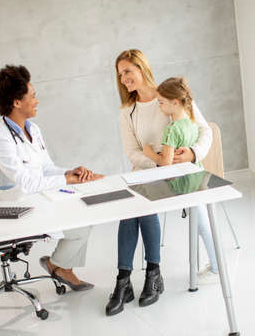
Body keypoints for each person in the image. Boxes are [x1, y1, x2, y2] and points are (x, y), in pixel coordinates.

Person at [105, 49, 214, 317]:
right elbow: (131, 151)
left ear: (142, 68)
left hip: (181, 173)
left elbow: (204, 130)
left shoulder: (170, 95)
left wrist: (192, 153)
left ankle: (150, 275)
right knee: (131, 209)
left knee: (147, 207)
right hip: (148, 172)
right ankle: (126, 280)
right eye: (120, 74)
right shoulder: (127, 111)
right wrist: (158, 165)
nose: (124, 79)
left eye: (128, 71)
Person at [0, 64, 103, 291]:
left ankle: (60, 267)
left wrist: (71, 172)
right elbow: (27, 183)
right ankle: (59, 267)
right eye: (33, 96)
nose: (37, 100)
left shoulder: (34, 130)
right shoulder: (1, 139)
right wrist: (67, 180)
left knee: (85, 216)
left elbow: (46, 168)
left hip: (39, 198)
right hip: (14, 209)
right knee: (80, 224)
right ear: (16, 102)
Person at [143, 76, 219, 280]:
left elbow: (166, 163)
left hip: (184, 185)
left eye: (161, 103)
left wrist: (148, 152)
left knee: (202, 225)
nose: (159, 107)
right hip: (198, 177)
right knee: (202, 222)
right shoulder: (192, 123)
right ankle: (212, 263)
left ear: (174, 102)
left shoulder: (172, 129)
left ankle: (216, 266)